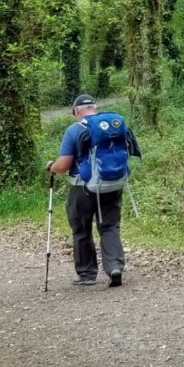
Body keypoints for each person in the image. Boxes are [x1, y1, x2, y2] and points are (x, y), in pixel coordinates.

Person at [47, 93, 132, 288]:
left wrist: (51, 166)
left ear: (77, 112)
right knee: (110, 226)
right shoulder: (113, 125)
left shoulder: (74, 130)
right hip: (113, 185)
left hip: (82, 188)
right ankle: (115, 268)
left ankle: (87, 274)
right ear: (95, 108)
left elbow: (63, 166)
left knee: (81, 229)